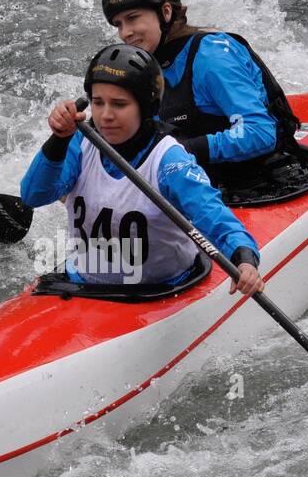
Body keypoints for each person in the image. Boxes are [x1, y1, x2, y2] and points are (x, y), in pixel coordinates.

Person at [21, 43, 264, 295]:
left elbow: (215, 217)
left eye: (119, 104)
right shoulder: (80, 142)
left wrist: (245, 260)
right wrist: (58, 139)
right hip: (83, 285)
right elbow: (33, 196)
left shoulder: (169, 161)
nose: (105, 115)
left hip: (160, 290)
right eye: (98, 102)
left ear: (145, 107)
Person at [49, 0, 302, 189]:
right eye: (118, 24)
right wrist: (64, 136)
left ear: (166, 12)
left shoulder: (211, 56)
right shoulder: (141, 68)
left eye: (133, 18)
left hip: (261, 182)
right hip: (194, 186)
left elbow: (260, 132)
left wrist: (181, 151)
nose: (125, 33)